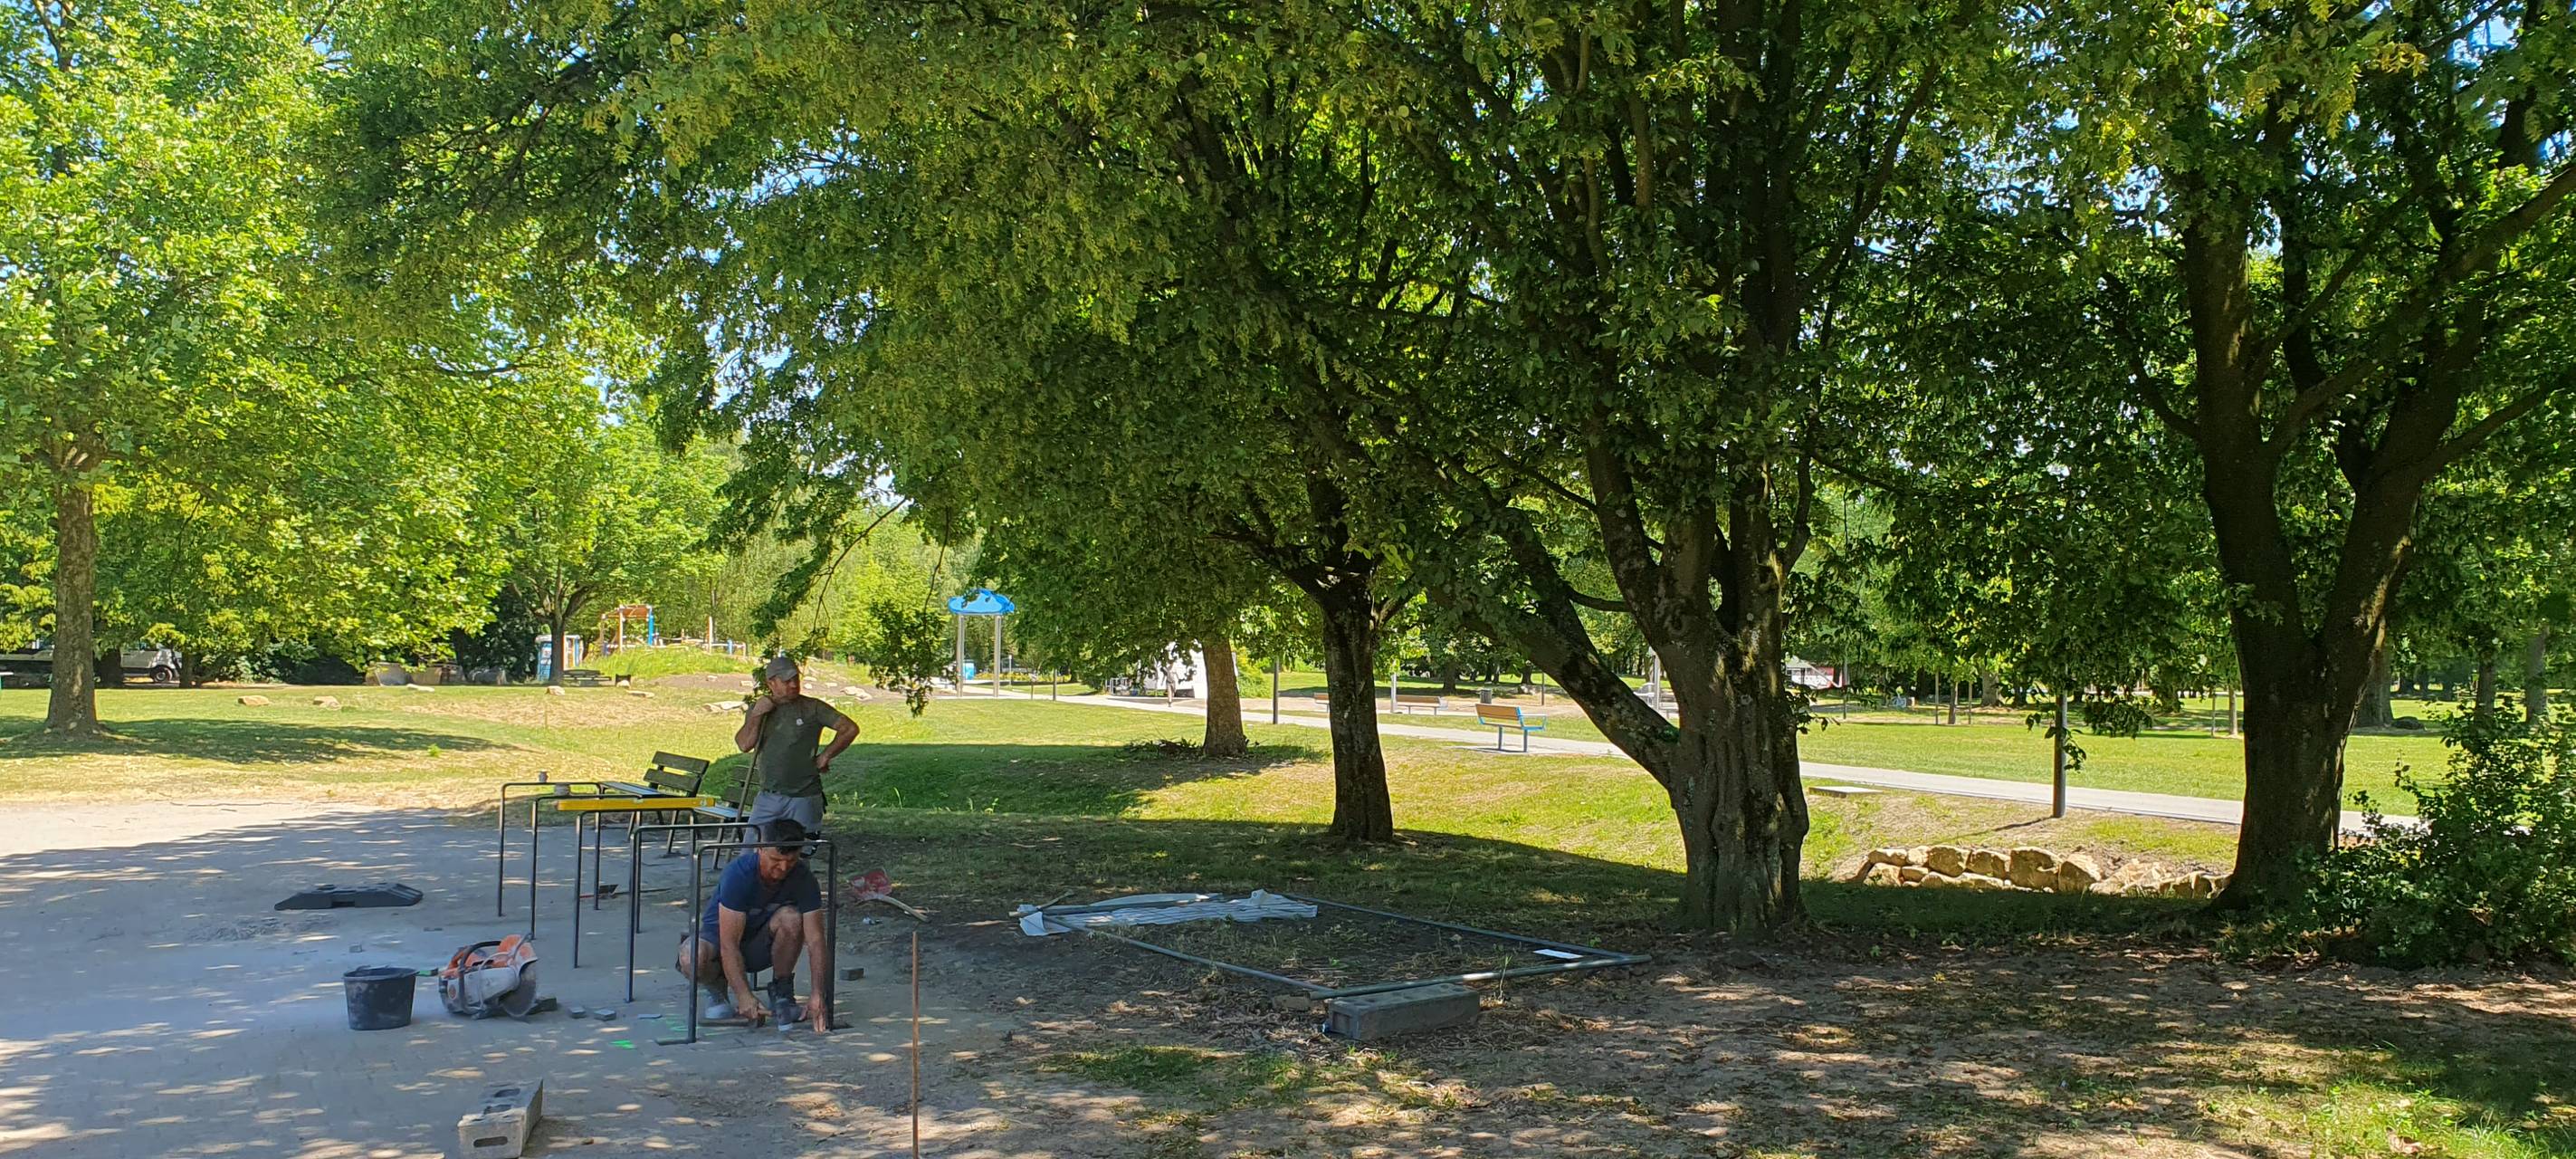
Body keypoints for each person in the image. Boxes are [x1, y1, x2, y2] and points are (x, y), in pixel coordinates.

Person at [677, 819, 832, 1030]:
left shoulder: (803, 878)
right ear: (760, 849)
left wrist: (817, 993)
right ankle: (717, 990)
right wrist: (744, 995)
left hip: (759, 945)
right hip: (719, 941)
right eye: (776, 860)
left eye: (792, 860)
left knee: (792, 918)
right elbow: (729, 944)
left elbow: (815, 941)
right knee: (691, 956)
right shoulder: (739, 874)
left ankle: (782, 992)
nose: (784, 867)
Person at [736, 655, 856, 829]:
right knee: (753, 850)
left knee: (799, 852)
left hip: (804, 797)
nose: (793, 685)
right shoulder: (760, 709)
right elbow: (744, 745)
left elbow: (849, 728)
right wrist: (756, 714)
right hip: (768, 796)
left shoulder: (813, 707)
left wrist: (825, 756)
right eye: (786, 681)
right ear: (771, 683)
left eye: (796, 679)